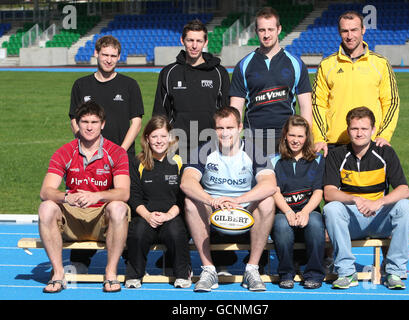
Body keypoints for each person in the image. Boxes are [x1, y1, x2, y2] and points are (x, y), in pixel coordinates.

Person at [180, 106, 277, 292]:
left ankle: (252, 269)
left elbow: (270, 185)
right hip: (213, 211)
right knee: (191, 202)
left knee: (267, 201)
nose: (225, 133)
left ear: (240, 127)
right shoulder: (204, 151)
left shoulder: (253, 151)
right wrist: (211, 200)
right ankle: (208, 270)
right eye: (220, 128)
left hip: (244, 212)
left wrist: (239, 200)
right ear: (214, 129)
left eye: (230, 128)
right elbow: (187, 183)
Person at [38, 101, 130, 293]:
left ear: (103, 124)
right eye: (85, 122)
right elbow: (45, 191)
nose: (89, 127)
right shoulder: (64, 152)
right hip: (72, 217)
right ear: (77, 124)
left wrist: (96, 196)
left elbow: (124, 192)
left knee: (119, 207)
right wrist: (66, 197)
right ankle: (58, 273)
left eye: (94, 122)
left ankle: (111, 273)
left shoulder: (116, 152)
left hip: (100, 219)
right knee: (46, 207)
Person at [69, 35, 144, 270]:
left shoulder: (129, 84)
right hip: (88, 157)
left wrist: (118, 152)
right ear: (96, 54)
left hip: (122, 158)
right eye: (105, 55)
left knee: (125, 205)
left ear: (119, 57)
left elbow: (136, 122)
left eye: (113, 56)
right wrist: (88, 147)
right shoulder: (81, 85)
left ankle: (128, 257)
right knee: (86, 201)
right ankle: (81, 257)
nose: (109, 60)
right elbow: (75, 119)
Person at [323, 107, 409, 290]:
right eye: (355, 129)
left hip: (379, 217)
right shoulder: (337, 155)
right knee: (331, 208)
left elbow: (404, 190)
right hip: (353, 219)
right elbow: (329, 192)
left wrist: (378, 202)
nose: (359, 134)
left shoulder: (385, 153)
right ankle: (346, 272)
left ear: (373, 130)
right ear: (348, 130)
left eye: (364, 129)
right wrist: (355, 199)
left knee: (408, 207)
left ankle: (394, 271)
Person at [312, 11, 400, 157]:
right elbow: (317, 104)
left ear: (363, 30)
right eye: (345, 31)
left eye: (354, 30)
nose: (349, 36)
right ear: (339, 32)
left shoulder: (380, 64)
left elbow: (391, 102)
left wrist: (384, 135)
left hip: (371, 142)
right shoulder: (327, 65)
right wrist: (319, 138)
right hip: (336, 144)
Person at [229, 7, 313, 156]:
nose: (266, 35)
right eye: (262, 30)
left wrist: (307, 140)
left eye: (270, 29)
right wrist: (233, 140)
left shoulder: (296, 63)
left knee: (285, 180)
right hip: (253, 139)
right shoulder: (243, 65)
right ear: (256, 31)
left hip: (287, 139)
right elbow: (235, 109)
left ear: (279, 29)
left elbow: (306, 107)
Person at [124, 115, 192, 289]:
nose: (159, 141)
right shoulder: (137, 162)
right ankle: (134, 275)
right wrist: (147, 215)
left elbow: (183, 196)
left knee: (177, 233)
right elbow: (134, 195)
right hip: (146, 215)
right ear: (147, 138)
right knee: (137, 233)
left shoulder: (179, 161)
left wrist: (169, 214)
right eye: (154, 136)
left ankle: (182, 274)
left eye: (163, 136)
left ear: (170, 137)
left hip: (172, 215)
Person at [152, 19, 230, 161]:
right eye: (190, 40)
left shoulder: (219, 73)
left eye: (199, 41)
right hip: (177, 147)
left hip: (211, 146)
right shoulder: (169, 73)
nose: (194, 46)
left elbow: (226, 113)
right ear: (182, 40)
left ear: (205, 42)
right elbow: (160, 113)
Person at [270, 115, 325, 289]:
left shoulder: (317, 159)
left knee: (316, 223)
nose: (295, 140)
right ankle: (286, 273)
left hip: (309, 210)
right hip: (283, 211)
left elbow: (318, 191)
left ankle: (314, 273)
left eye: (300, 136)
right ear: (285, 135)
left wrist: (306, 212)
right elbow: (275, 191)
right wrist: (287, 212)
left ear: (307, 137)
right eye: (292, 135)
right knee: (280, 225)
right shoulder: (273, 160)